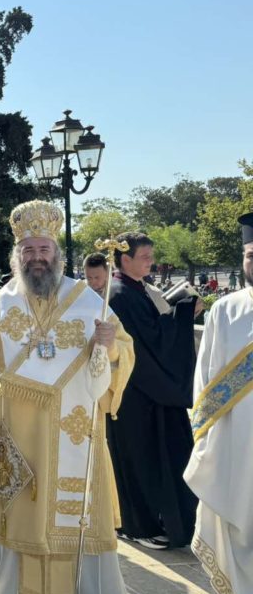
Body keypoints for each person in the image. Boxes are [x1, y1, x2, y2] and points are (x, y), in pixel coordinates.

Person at [0, 200, 136, 594]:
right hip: (13, 428)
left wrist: (110, 346)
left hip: (72, 427)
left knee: (68, 507)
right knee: (18, 502)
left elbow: (123, 354)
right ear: (17, 256)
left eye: (44, 250)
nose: (37, 258)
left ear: (57, 253)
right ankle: (13, 588)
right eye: (29, 251)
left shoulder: (87, 300)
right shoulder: (0, 305)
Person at [183, 212, 253, 594]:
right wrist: (207, 441)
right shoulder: (226, 310)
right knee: (233, 522)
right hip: (236, 445)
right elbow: (205, 382)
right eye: (251, 254)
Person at [108, 231, 200, 549]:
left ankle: (160, 520)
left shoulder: (140, 289)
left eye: (151, 256)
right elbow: (147, 340)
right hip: (133, 394)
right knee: (138, 459)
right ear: (125, 259)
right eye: (145, 257)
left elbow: (155, 331)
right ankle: (137, 526)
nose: (151, 261)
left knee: (156, 457)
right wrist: (185, 311)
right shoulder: (118, 293)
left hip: (152, 390)